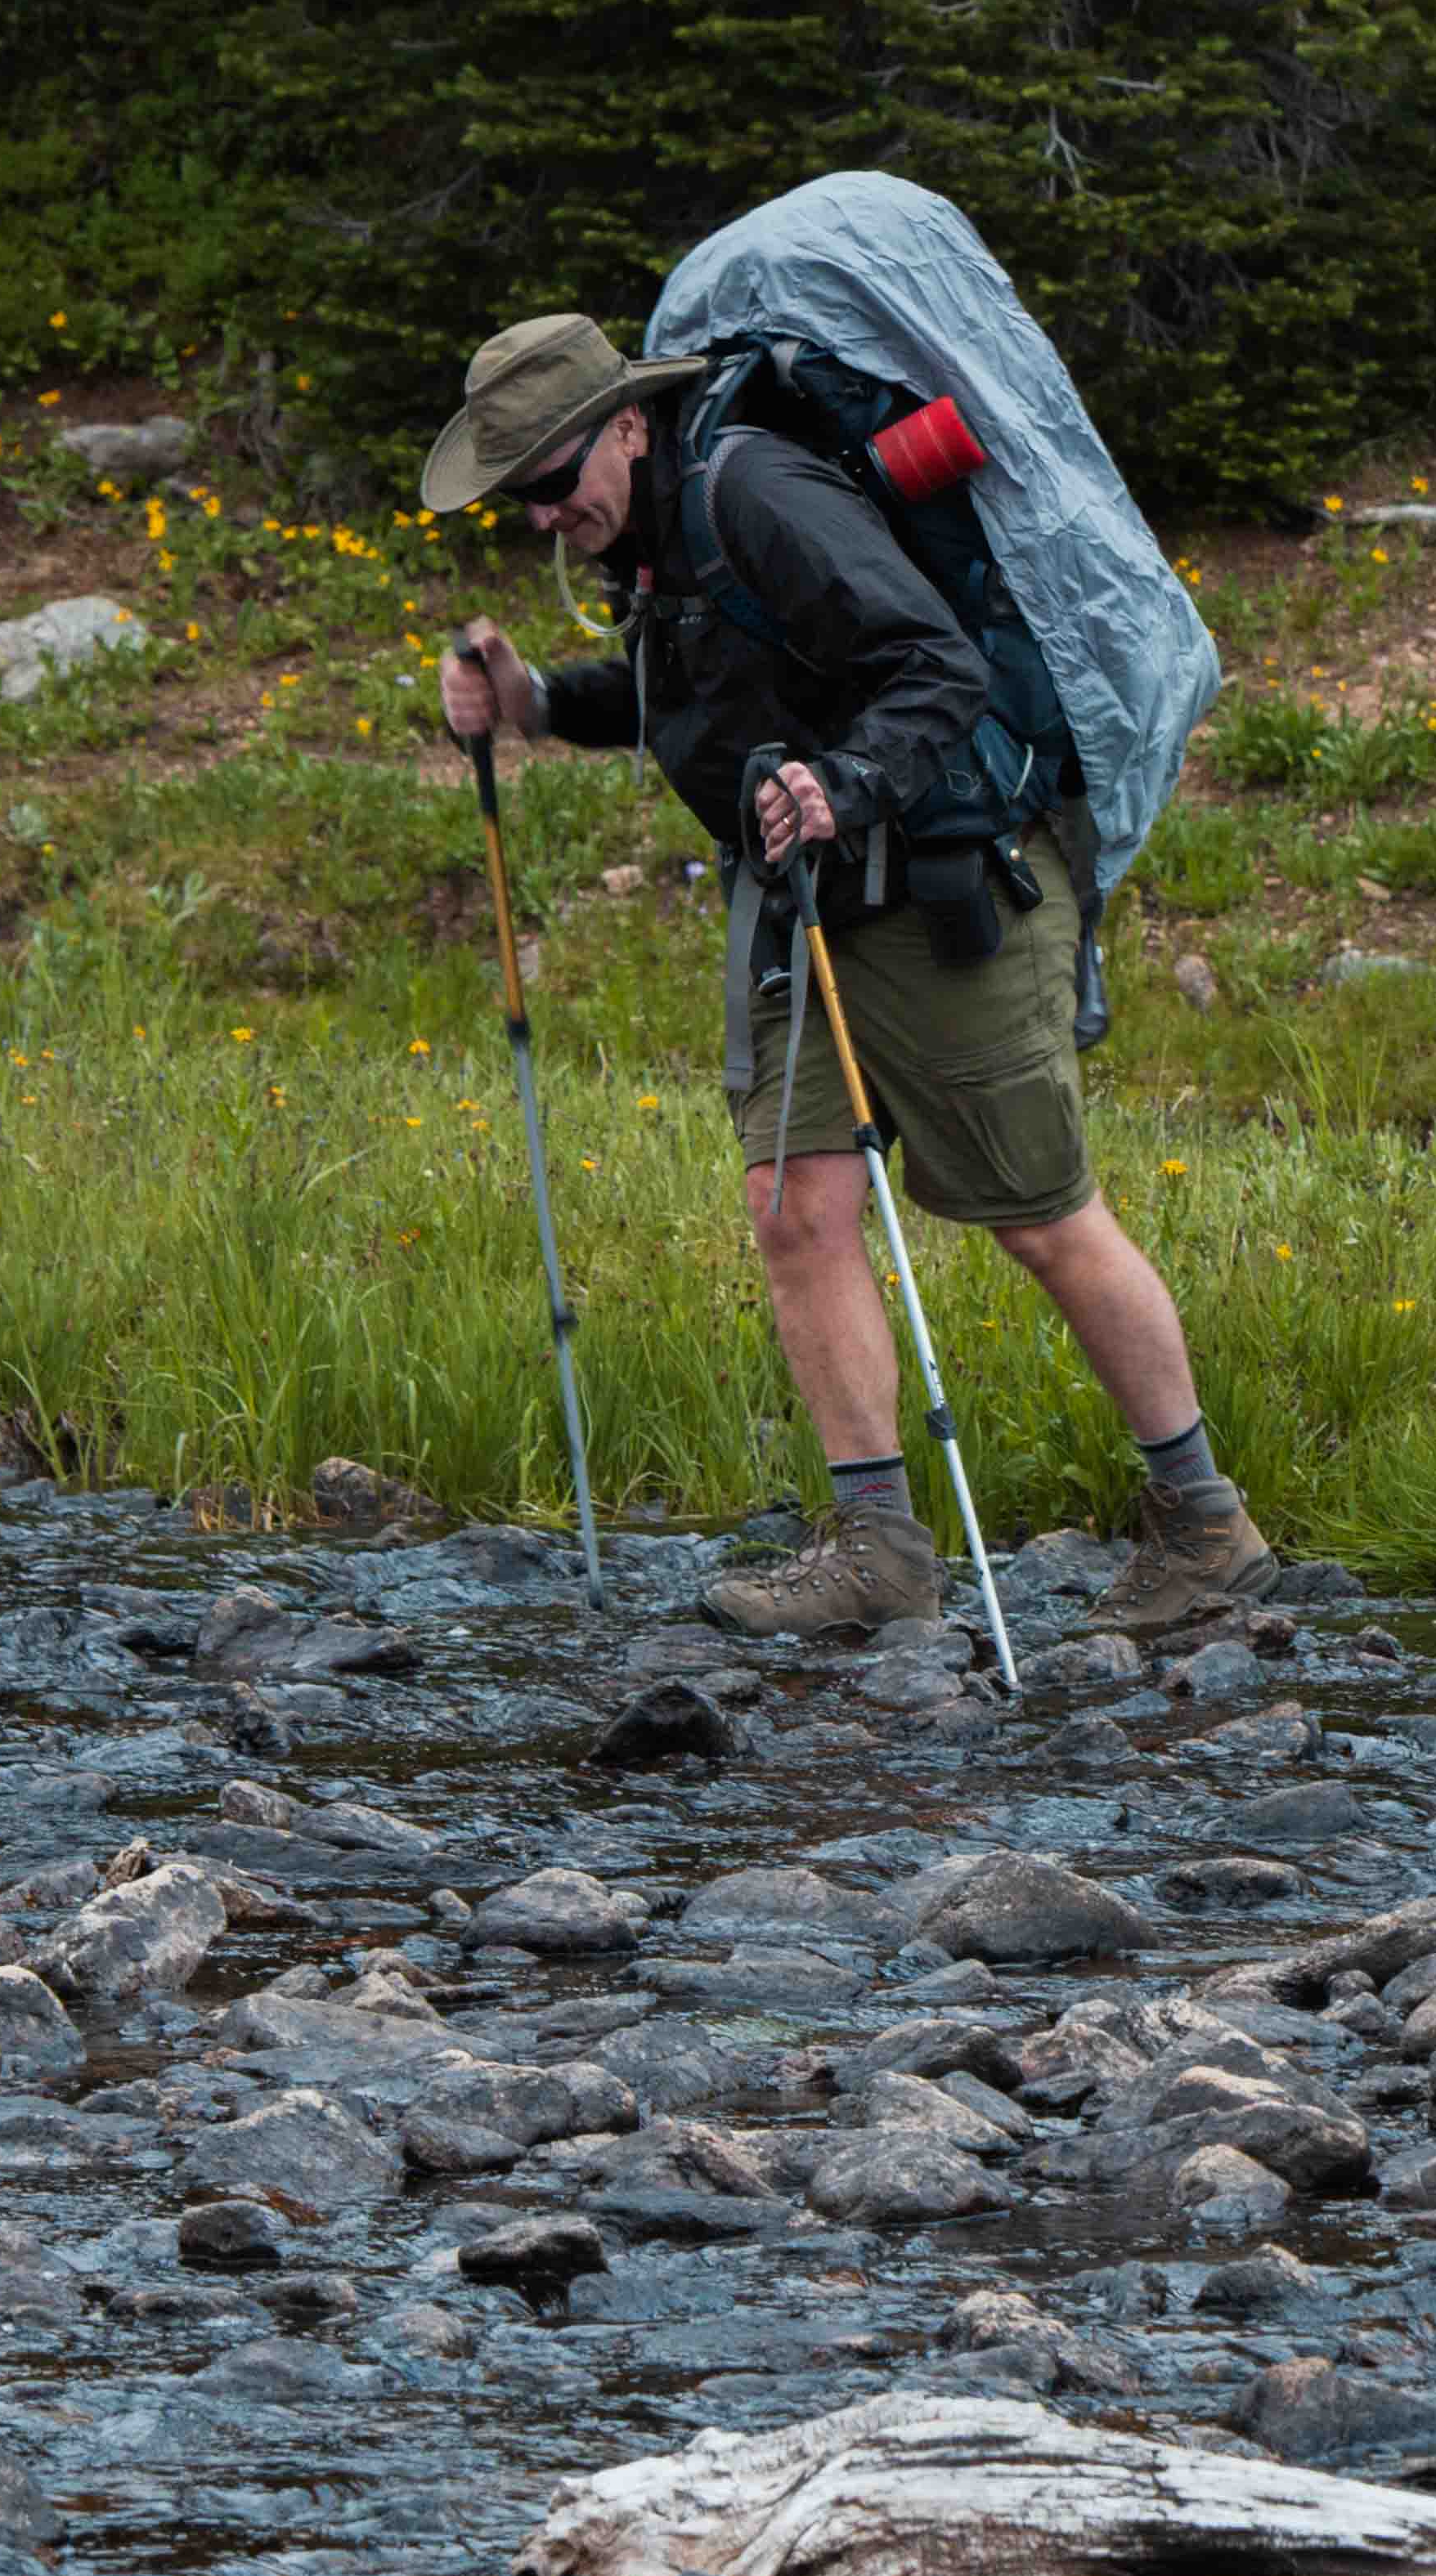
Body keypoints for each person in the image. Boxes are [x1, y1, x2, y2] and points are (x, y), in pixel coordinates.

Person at [420, 308, 1270, 1642]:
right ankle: (877, 1549)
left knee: (1038, 1213)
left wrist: (846, 782)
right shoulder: (650, 537)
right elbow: (703, 696)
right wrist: (536, 703)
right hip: (803, 899)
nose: (540, 515)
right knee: (794, 1205)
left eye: (549, 480)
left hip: (945, 883)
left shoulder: (753, 490)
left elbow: (937, 665)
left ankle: (1205, 1522)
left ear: (628, 425)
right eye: (516, 496)